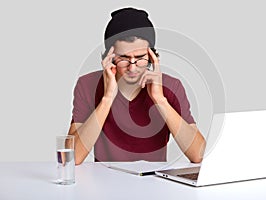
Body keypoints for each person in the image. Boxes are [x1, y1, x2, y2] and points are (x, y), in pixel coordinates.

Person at [68, 7, 206, 165]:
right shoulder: (87, 85)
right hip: (105, 181)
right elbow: (72, 158)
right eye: (124, 58)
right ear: (110, 57)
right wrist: (107, 99)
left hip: (155, 182)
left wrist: (160, 100)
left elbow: (198, 154)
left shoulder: (171, 86)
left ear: (152, 56)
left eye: (140, 57)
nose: (132, 67)